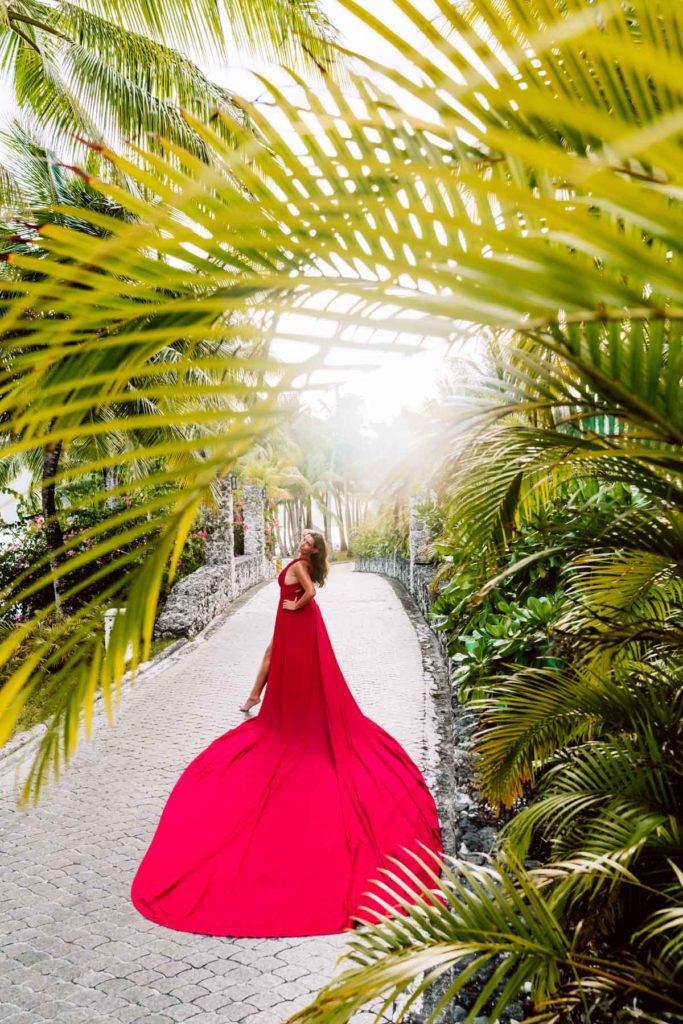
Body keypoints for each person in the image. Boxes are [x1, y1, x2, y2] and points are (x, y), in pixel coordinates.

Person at [130, 529, 444, 937]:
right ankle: (259, 698)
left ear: (311, 549)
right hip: (295, 621)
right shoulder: (303, 562)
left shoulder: (300, 567)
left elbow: (311, 593)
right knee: (274, 658)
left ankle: (276, 706)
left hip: (298, 620)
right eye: (302, 538)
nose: (300, 541)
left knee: (286, 664)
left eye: (306, 539)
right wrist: (294, 604)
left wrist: (296, 602)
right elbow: (310, 590)